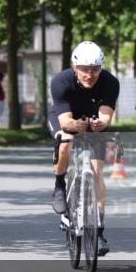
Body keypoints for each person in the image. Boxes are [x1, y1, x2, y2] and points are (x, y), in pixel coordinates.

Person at [49, 41, 119, 256]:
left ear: (102, 68)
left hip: (93, 121)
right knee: (65, 143)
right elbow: (65, 121)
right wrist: (74, 127)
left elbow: (106, 115)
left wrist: (101, 123)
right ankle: (60, 184)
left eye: (95, 69)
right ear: (75, 68)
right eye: (85, 70)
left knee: (98, 174)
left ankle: (98, 231)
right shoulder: (61, 81)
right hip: (66, 119)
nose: (90, 74)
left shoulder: (110, 82)